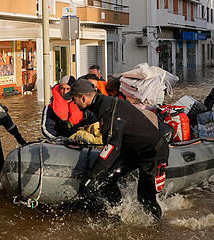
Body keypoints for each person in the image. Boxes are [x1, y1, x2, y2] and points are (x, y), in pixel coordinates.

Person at [71, 79, 169, 222]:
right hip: (133, 150)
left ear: (83, 98)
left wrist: (92, 176)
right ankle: (119, 215)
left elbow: (112, 148)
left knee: (144, 197)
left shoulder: (108, 110)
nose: (73, 103)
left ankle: (156, 230)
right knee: (107, 180)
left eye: (74, 99)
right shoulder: (101, 104)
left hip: (152, 152)